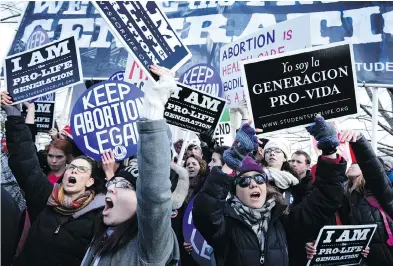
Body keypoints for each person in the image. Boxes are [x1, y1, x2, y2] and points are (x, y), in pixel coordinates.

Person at [193, 116, 347, 266]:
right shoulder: (224, 224)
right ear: (235, 191)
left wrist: (329, 150)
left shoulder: (282, 219)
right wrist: (234, 158)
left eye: (259, 179)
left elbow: (325, 199)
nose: (254, 184)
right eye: (245, 181)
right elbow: (206, 208)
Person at [80, 65, 180, 265]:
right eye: (113, 183)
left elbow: (154, 195)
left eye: (125, 185)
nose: (111, 187)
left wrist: (153, 109)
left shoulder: (150, 247)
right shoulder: (104, 235)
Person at [1, 93, 106, 266]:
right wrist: (13, 114)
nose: (74, 171)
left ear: (90, 182)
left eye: (81, 170)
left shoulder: (98, 216)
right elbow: (25, 160)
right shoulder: (46, 197)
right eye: (72, 168)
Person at [262, 138, 299, 204]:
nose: (272, 153)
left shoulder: (293, 182)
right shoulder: (258, 178)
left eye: (277, 151)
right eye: (268, 151)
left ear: (285, 158)